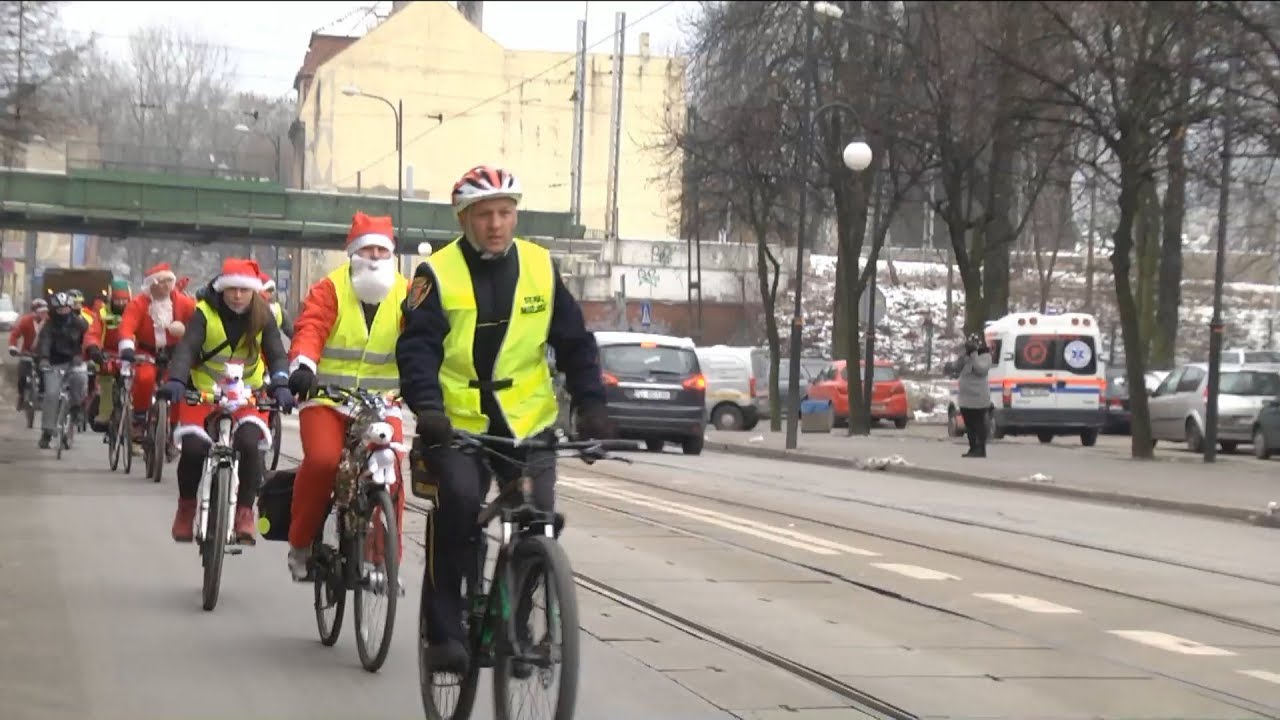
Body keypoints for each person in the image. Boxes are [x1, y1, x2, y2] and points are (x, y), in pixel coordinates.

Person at [397, 165, 611, 673]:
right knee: (461, 508)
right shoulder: (437, 274)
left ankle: (516, 628)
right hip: (458, 421)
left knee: (541, 519)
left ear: (516, 215)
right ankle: (445, 633)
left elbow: (575, 343)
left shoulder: (540, 266)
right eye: (485, 214)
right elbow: (418, 350)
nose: (496, 224)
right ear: (465, 218)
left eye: (505, 213)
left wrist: (592, 404)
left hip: (526, 420)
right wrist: (428, 408)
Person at [284, 211, 409, 580]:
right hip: (327, 399)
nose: (374, 258)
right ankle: (302, 543)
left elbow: (420, 341)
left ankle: (383, 560)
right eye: (367, 250)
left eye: (381, 252)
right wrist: (303, 366)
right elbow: (311, 328)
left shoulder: (406, 292)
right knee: (322, 462)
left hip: (381, 404)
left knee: (391, 472)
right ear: (353, 254)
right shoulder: (330, 288)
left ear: (391, 256)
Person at [161, 258, 295, 543]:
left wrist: (282, 382)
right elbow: (187, 347)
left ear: (253, 291)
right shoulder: (204, 313)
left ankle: (245, 511)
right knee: (194, 448)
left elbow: (276, 352)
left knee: (249, 444)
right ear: (221, 289)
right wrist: (176, 380)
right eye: (231, 289)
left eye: (243, 290)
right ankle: (186, 509)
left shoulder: (264, 315)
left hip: (248, 394)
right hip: (204, 392)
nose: (237, 295)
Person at [117, 263, 197, 441]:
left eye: (169, 281)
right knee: (144, 378)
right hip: (147, 351)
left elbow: (199, 320)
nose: (166, 285)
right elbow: (127, 327)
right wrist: (127, 348)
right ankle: (139, 418)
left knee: (177, 385)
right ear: (151, 284)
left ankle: (175, 426)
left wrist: (189, 333)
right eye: (161, 281)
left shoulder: (183, 302)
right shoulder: (138, 304)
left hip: (174, 353)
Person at [35, 292, 90, 449]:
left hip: (75, 362)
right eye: (59, 309)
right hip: (53, 363)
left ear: (70, 308)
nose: (62, 312)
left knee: (80, 379)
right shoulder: (49, 325)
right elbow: (45, 342)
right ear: (54, 309)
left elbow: (89, 340)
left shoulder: (80, 324)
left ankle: (76, 408)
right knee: (51, 394)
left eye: (65, 308)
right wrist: (44, 358)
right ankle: (47, 432)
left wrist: (84, 355)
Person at [84, 279, 132, 432]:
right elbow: (93, 333)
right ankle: (105, 413)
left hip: (130, 354)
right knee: (106, 380)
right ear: (111, 299)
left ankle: (136, 415)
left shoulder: (136, 312)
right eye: (117, 300)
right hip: (108, 354)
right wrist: (93, 348)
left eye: (124, 300)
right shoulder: (102, 314)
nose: (121, 303)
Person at [956, 331, 992, 458]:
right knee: (969, 425)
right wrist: (965, 354)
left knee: (979, 425)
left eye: (975, 343)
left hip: (979, 399)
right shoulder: (966, 356)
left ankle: (980, 449)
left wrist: (974, 354)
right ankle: (972, 448)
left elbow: (981, 369)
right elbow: (958, 367)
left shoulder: (986, 356)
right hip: (966, 399)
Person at [8, 298, 48, 409]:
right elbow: (15, 334)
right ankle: (21, 395)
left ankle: (41, 396)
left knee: (45, 374)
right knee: (22, 375)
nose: (44, 314)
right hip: (27, 353)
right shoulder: (25, 321)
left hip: (43, 354)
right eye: (41, 312)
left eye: (45, 311)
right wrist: (13, 347)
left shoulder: (49, 322)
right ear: (34, 312)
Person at [260, 274, 294, 339]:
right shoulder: (245, 307)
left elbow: (292, 333)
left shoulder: (277, 309)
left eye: (271, 291)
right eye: (267, 290)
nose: (270, 294)